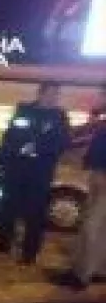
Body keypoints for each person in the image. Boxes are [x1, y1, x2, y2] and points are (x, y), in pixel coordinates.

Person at [0, 82, 71, 265]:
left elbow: (62, 143)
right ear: (40, 93)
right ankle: (2, 242)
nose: (53, 98)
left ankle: (29, 253)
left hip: (40, 171)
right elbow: (10, 135)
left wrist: (38, 149)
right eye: (50, 94)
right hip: (17, 167)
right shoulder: (24, 110)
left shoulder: (59, 117)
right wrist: (11, 153)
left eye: (56, 95)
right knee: (9, 205)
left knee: (35, 212)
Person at [53, 86, 106, 290]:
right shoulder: (100, 122)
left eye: (103, 95)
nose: (99, 98)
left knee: (91, 226)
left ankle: (81, 275)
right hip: (97, 173)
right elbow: (81, 137)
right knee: (97, 227)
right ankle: (96, 270)